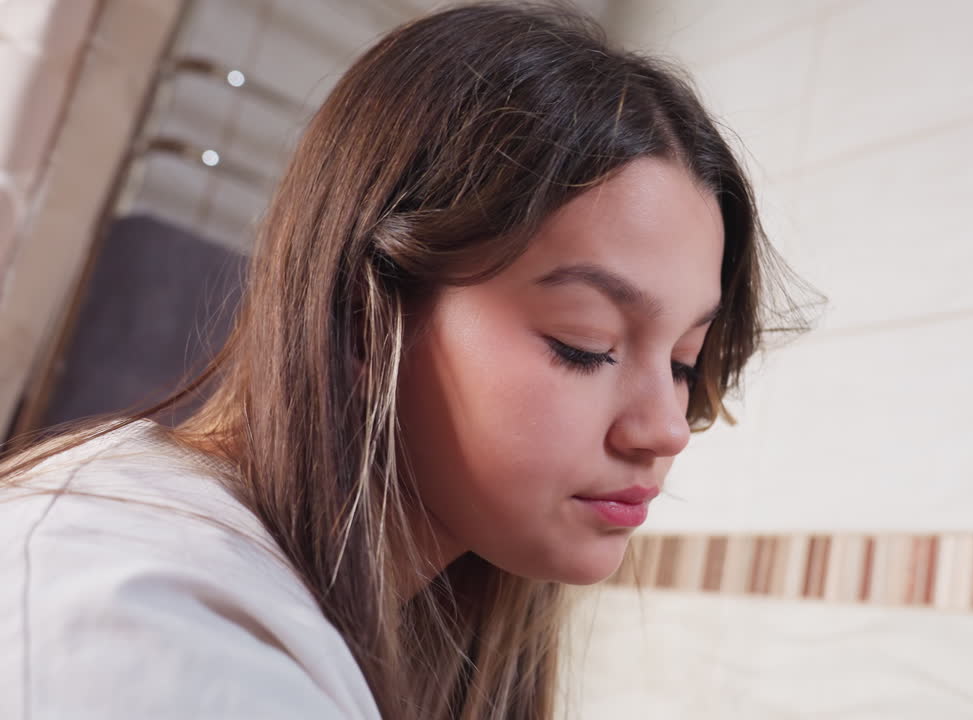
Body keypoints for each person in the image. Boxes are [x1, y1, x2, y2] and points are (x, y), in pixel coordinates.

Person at [0, 3, 813, 718]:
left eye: (682, 361)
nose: (666, 429)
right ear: (363, 317)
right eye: (586, 343)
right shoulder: (144, 616)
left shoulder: (399, 619)